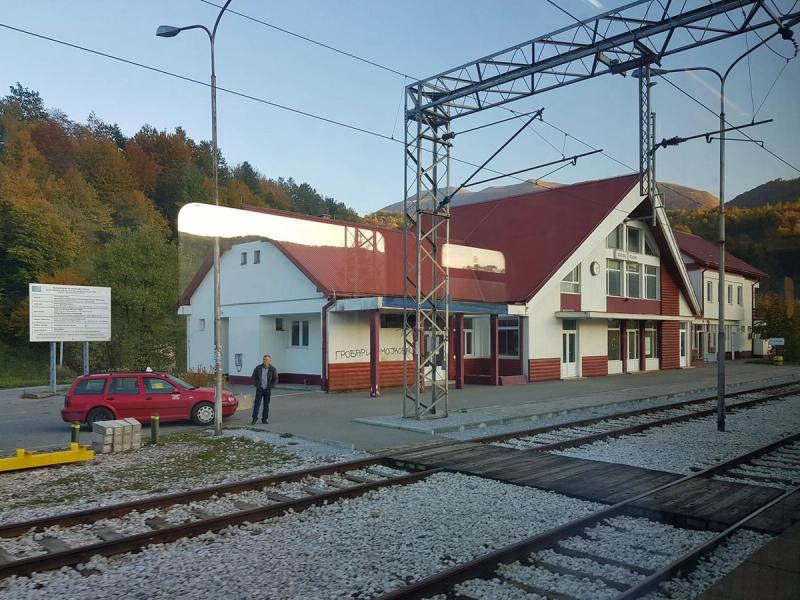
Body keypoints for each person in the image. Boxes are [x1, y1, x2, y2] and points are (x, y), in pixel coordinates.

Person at [251, 354, 278, 425]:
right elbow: (253, 377)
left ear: (270, 361)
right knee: (257, 404)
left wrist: (271, 386)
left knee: (266, 405)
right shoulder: (258, 368)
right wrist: (256, 385)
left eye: (266, 360)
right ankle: (254, 418)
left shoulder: (273, 369)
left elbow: (275, 379)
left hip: (267, 390)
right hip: (260, 389)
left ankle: (264, 419)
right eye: (264, 359)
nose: (265, 361)